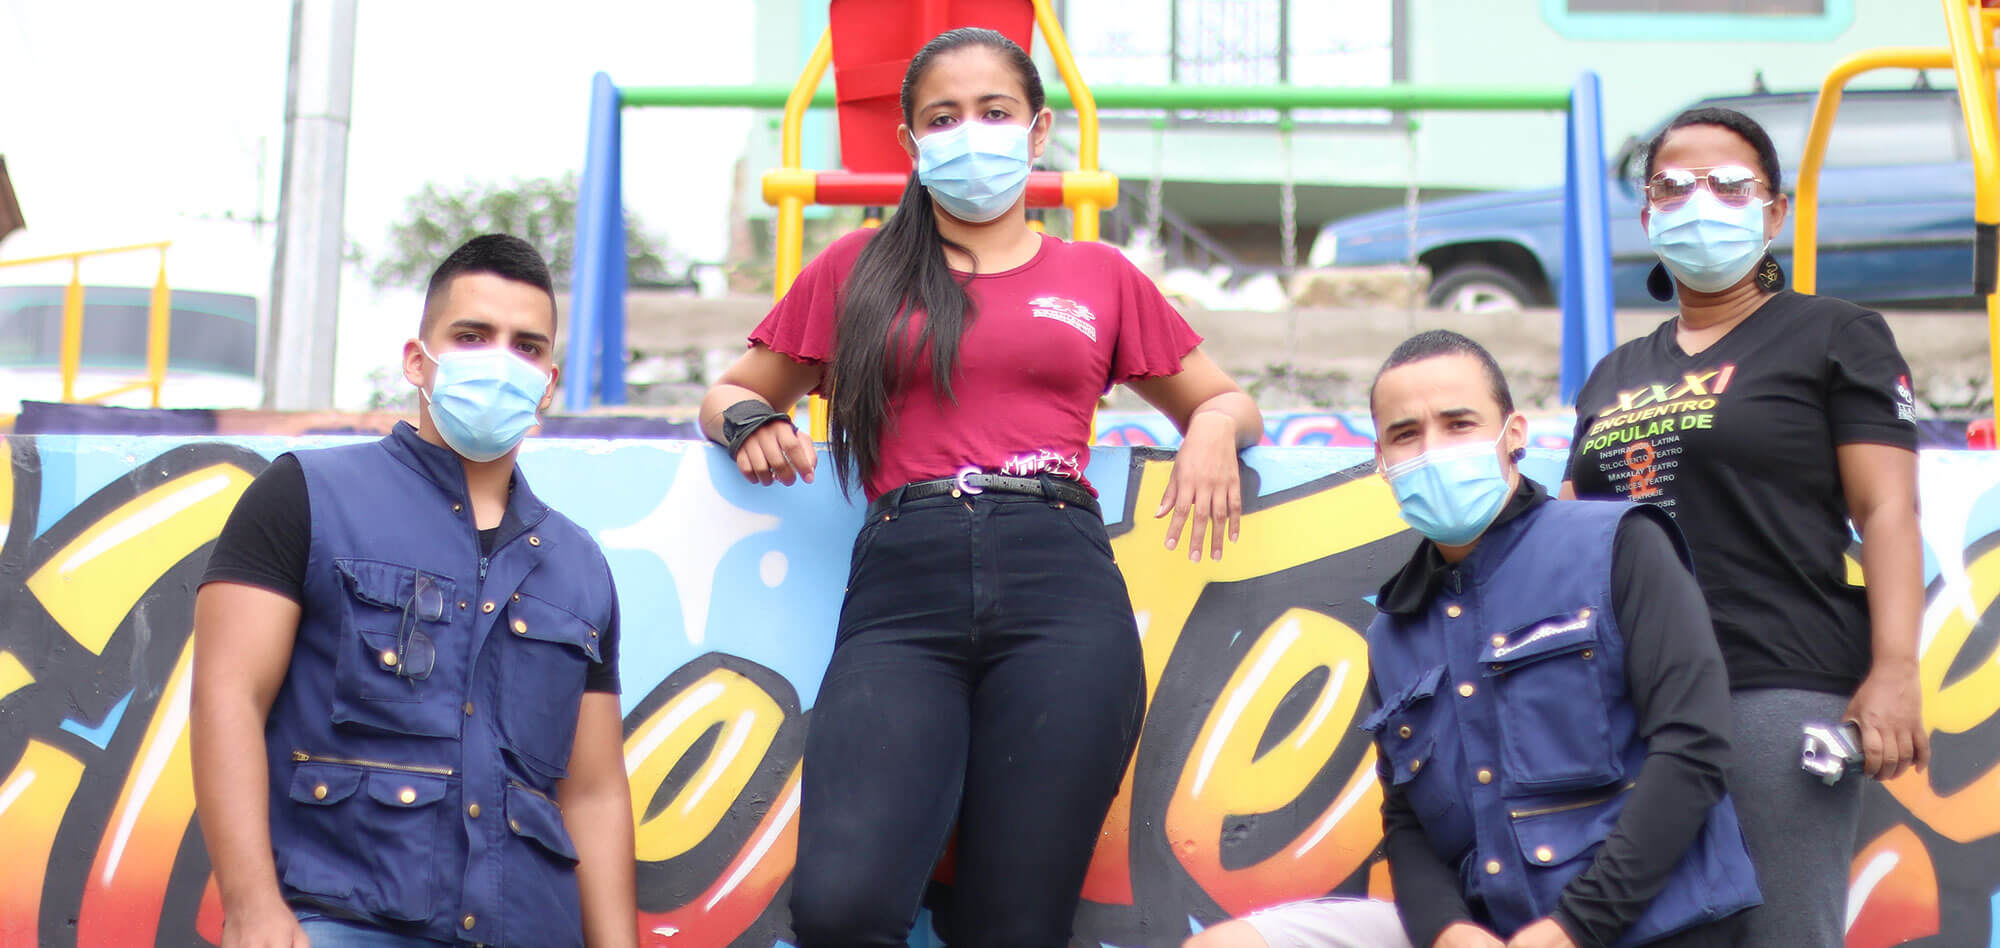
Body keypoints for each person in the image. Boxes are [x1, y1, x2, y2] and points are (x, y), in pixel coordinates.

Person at [697, 26, 1261, 948]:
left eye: (994, 112)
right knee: (842, 910)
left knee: (1014, 926)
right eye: (944, 117)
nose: (972, 133)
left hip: (1062, 594)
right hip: (903, 592)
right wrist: (750, 424)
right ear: (913, 147)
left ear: (1037, 133)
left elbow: (1232, 401)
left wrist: (1208, 426)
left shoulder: (1101, 275)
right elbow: (730, 392)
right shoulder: (855, 268)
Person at [1188, 331, 1758, 948]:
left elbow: (1693, 749)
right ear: (1381, 460)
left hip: (1654, 924)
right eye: (1406, 434)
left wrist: (1575, 929)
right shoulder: (1394, 629)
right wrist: (1448, 932)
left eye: (1459, 424)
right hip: (1489, 928)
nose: (1433, 450)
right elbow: (1406, 820)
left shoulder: (1620, 545)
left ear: (1513, 434)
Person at [190, 235, 636, 948]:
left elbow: (594, 791)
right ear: (416, 360)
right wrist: (252, 908)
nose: (499, 360)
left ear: (548, 383)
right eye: (471, 335)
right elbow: (226, 696)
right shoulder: (304, 494)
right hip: (337, 924)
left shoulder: (581, 566)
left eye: (526, 346)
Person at [1562, 107, 1927, 948]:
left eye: (1729, 184)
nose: (1701, 202)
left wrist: (1896, 667)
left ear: (1775, 212)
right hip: (1633, 702)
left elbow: (1888, 509)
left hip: (1774, 683)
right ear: (1648, 214)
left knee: (1779, 931)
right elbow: (1578, 535)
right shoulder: (1614, 373)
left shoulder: (1836, 335)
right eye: (1674, 186)